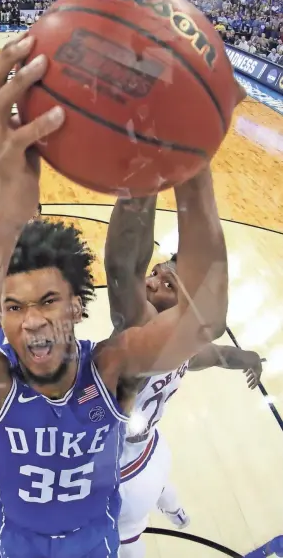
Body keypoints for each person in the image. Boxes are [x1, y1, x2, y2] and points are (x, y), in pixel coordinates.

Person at [0, 34, 231, 558]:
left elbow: (204, 318)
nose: (33, 322)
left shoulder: (111, 368)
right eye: (14, 308)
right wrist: (5, 209)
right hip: (14, 546)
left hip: (93, 543)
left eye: (48, 301)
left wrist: (192, 164)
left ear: (76, 306)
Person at [104, 195, 263, 558]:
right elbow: (223, 356)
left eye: (167, 285)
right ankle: (177, 512)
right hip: (152, 450)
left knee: (126, 544)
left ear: (184, 307)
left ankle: (170, 510)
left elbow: (122, 264)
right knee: (162, 489)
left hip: (123, 473)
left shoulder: (144, 337)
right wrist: (252, 359)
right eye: (157, 272)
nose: (152, 281)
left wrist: (143, 183)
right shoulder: (186, 351)